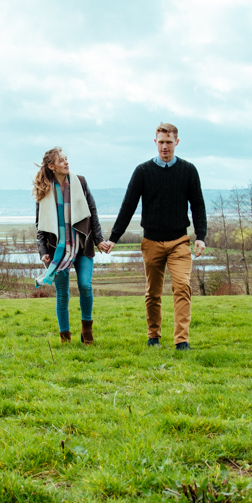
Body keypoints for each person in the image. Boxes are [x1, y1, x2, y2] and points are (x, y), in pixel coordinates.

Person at [102, 123, 206, 350]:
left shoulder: (189, 171)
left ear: (176, 142)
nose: (165, 147)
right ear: (155, 142)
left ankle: (182, 341)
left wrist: (200, 236)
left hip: (179, 241)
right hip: (151, 242)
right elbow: (128, 205)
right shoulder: (143, 171)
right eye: (161, 142)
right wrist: (114, 238)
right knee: (153, 292)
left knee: (182, 287)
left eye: (169, 142)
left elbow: (198, 205)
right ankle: (153, 336)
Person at [34, 148, 106, 344]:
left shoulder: (80, 182)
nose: (67, 163)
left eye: (67, 159)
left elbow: (92, 211)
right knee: (62, 294)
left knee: (85, 285)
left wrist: (99, 239)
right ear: (51, 166)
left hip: (82, 245)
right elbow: (40, 226)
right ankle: (65, 338)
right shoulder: (45, 189)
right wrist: (43, 252)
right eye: (62, 160)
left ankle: (87, 332)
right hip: (57, 250)